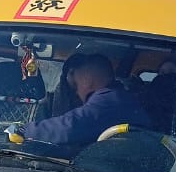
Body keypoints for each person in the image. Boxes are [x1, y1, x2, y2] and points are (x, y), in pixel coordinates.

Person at [17, 54, 149, 150]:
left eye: (74, 86)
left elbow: (70, 127)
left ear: (87, 79)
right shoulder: (118, 97)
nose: (75, 93)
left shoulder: (111, 99)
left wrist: (22, 131)